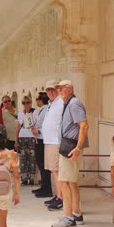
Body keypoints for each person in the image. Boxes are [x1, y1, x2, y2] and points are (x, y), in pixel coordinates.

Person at [51, 80, 88, 227]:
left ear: (69, 89)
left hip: (71, 148)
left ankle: (69, 218)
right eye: (57, 88)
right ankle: (77, 214)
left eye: (61, 88)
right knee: (71, 182)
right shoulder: (70, 103)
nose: (58, 91)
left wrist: (78, 148)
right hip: (69, 146)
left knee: (64, 182)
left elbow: (84, 125)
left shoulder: (74, 103)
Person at [42, 79, 64, 210]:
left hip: (55, 141)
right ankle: (58, 195)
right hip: (49, 141)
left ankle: (61, 198)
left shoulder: (60, 102)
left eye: (53, 89)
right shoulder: (52, 103)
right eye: (48, 89)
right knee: (53, 171)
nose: (50, 92)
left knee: (56, 171)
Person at [31, 92, 52, 198]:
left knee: (43, 165)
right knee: (41, 164)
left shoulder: (46, 110)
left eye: (37, 99)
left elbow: (47, 125)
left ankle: (47, 188)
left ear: (41, 100)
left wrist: (38, 131)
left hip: (42, 139)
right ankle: (44, 186)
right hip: (39, 139)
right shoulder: (43, 110)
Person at [16, 95, 37, 186]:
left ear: (31, 103)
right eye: (24, 103)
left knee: (32, 157)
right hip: (22, 137)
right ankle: (24, 178)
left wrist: (28, 115)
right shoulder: (20, 113)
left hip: (31, 136)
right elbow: (17, 127)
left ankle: (31, 178)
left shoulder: (35, 112)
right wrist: (16, 140)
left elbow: (34, 123)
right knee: (23, 157)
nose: (26, 105)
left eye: (28, 102)